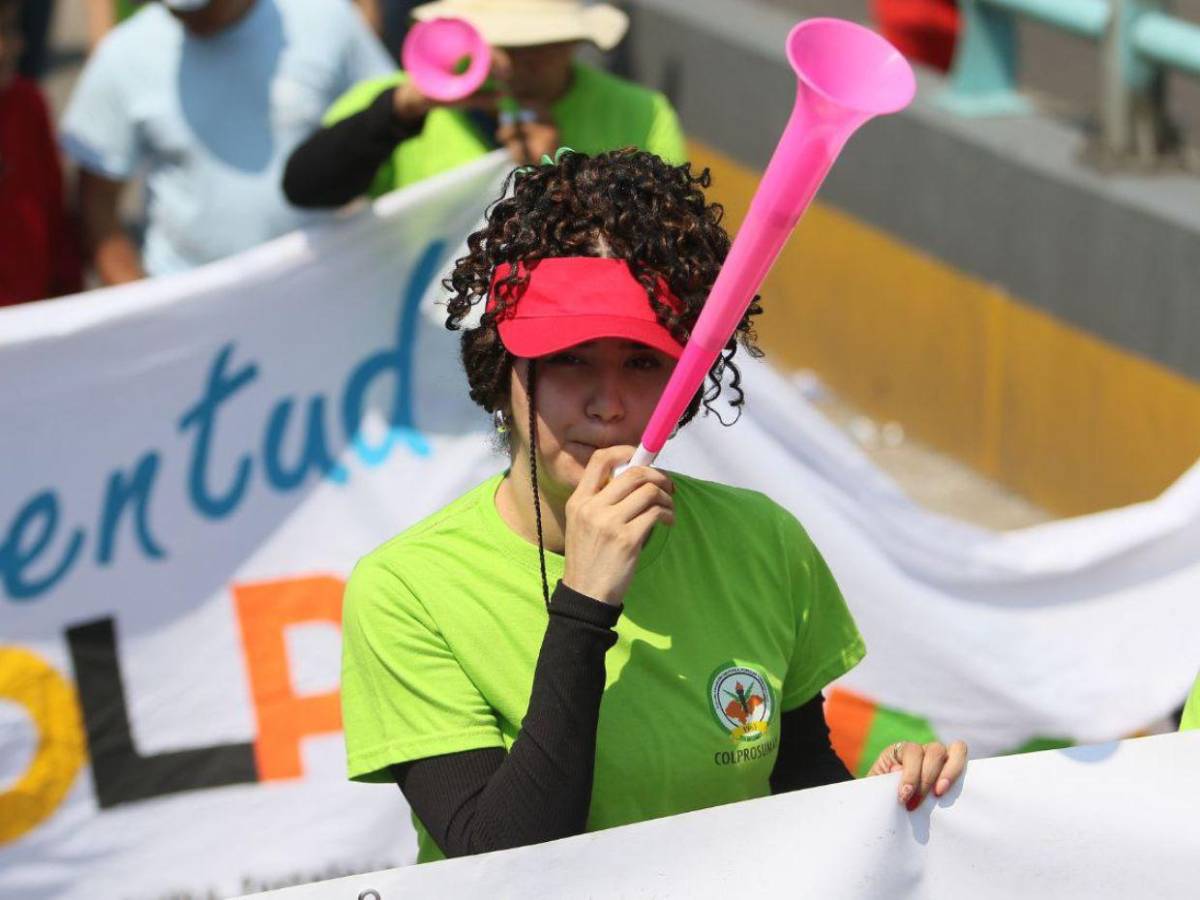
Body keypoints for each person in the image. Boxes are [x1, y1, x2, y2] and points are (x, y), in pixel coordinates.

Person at [339, 149, 968, 863]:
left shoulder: (763, 539)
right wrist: (585, 602)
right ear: (500, 368)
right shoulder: (404, 590)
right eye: (571, 358)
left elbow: (798, 785)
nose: (608, 404)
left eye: (642, 363)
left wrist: (883, 800)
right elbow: (499, 859)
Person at [59, 0, 394, 284]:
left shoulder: (328, 20)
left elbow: (397, 132)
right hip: (188, 300)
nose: (191, 17)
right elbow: (96, 202)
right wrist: (142, 310)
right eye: (177, 9)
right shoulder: (124, 53)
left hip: (325, 287)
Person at [282, 0, 685, 209]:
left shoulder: (642, 113)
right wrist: (399, 111)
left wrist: (560, 179)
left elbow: (668, 245)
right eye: (504, 41)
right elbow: (305, 188)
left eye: (541, 45)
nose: (516, 61)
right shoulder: (405, 99)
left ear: (575, 41)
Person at [0, 0, 81, 306]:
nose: (10, 46)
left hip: (37, 315)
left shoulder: (28, 105)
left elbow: (56, 220)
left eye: (10, 29)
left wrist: (69, 301)